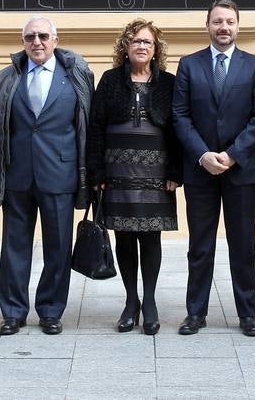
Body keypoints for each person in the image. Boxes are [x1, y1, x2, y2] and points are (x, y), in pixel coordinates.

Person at [173, 0, 255, 337]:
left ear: (238, 26)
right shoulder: (189, 65)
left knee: (242, 244)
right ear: (208, 26)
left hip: (242, 171)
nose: (224, 27)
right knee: (200, 246)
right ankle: (195, 313)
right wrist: (203, 155)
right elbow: (180, 116)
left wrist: (231, 155)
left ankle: (247, 314)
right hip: (200, 171)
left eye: (230, 21)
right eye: (217, 21)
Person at [0, 16, 94, 336]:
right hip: (18, 174)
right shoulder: (7, 77)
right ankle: (13, 311)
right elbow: (0, 127)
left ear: (55, 39)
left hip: (59, 174)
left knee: (58, 246)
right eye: (30, 37)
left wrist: (86, 175)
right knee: (13, 247)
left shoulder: (76, 75)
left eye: (43, 36)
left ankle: (50, 310)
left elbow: (85, 126)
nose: (36, 42)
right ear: (23, 41)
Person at [87, 20, 182, 336]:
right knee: (124, 237)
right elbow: (96, 128)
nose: (142, 46)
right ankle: (131, 302)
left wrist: (175, 171)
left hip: (156, 173)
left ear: (156, 50)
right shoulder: (110, 80)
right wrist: (97, 172)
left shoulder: (168, 83)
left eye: (148, 43)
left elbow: (178, 130)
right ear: (125, 47)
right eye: (136, 41)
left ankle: (150, 302)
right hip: (118, 173)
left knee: (151, 236)